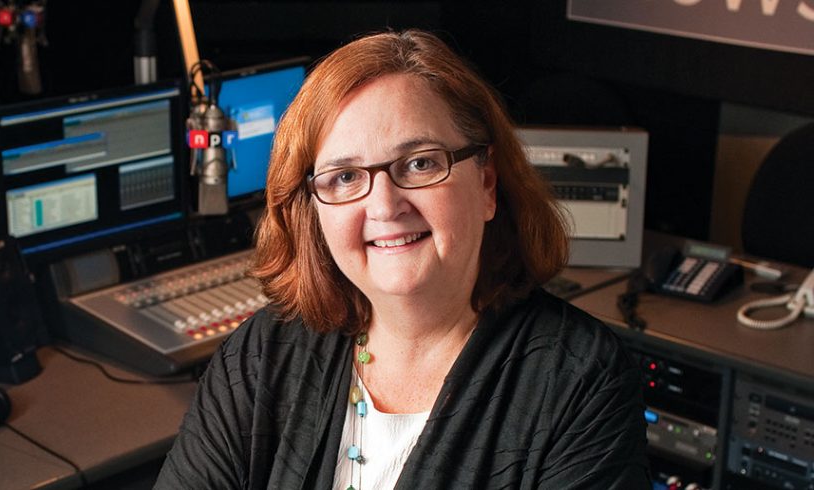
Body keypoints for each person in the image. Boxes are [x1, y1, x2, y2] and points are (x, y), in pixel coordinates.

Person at [156, 29, 649, 489]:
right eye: (344, 177)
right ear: (313, 209)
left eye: (419, 163)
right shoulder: (264, 353)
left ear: (487, 183)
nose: (385, 206)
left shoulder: (581, 382)